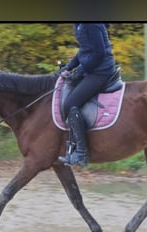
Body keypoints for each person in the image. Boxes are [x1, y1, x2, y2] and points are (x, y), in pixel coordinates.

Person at [58, 23, 116, 167]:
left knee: (70, 104)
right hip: (91, 69)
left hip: (101, 71)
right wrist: (69, 67)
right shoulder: (79, 24)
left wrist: (79, 71)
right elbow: (84, 51)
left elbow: (99, 53)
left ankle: (82, 153)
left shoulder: (91, 24)